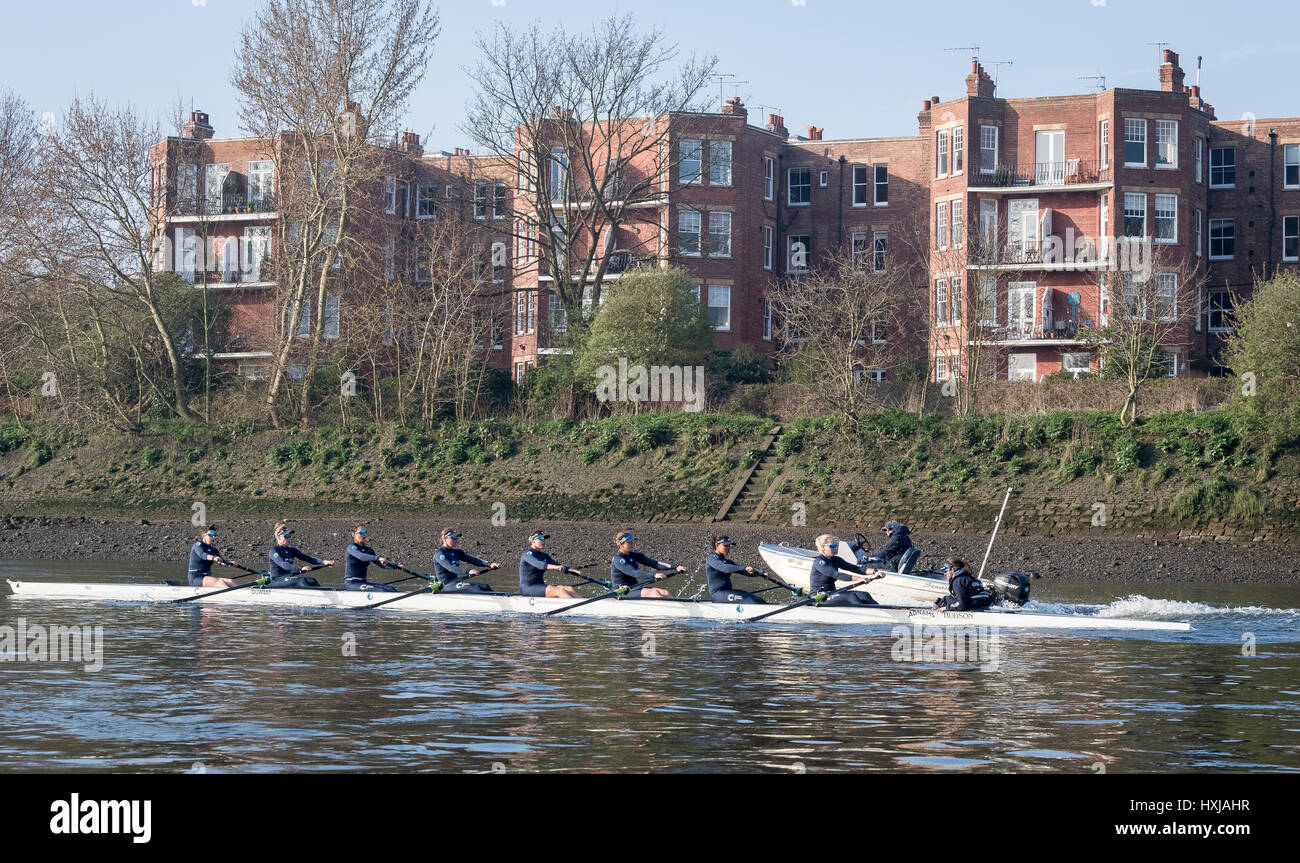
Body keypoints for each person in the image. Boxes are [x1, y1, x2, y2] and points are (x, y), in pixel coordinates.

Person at [810, 534, 881, 607]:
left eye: (836, 546)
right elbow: (836, 574)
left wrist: (875, 571)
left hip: (832, 593)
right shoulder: (819, 562)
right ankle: (866, 614)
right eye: (832, 546)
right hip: (819, 596)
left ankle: (882, 611)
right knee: (851, 597)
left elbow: (854, 568)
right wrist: (859, 578)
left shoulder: (836, 559)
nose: (835, 548)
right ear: (822, 547)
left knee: (864, 595)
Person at [610, 532, 686, 599]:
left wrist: (676, 566)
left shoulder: (636, 555)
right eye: (629, 542)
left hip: (634, 588)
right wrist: (654, 575)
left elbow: (655, 564)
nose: (632, 544)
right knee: (654, 593)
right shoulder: (618, 559)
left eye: (633, 542)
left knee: (665, 592)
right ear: (621, 544)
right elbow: (634, 572)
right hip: (621, 591)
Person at [267, 523, 333, 588]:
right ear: (279, 538)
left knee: (312, 580)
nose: (289, 538)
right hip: (277, 581)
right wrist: (301, 568)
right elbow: (284, 564)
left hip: (287, 579)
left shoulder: (292, 550)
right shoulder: (274, 551)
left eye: (289, 536)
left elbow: (308, 558)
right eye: (286, 536)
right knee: (303, 581)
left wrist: (324, 562)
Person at [433, 528, 499, 592]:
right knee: (476, 588)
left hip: (454, 584)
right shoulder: (440, 553)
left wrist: (489, 564)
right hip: (445, 585)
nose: (456, 540)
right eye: (453, 538)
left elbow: (473, 560)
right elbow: (451, 567)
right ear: (445, 539)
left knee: (485, 587)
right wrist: (468, 571)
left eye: (456, 538)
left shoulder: (457, 552)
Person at [518, 531, 581, 599]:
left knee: (569, 588)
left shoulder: (544, 556)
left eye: (544, 539)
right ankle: (577, 608)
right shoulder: (527, 554)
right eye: (541, 538)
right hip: (528, 588)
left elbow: (558, 564)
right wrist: (556, 567)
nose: (544, 541)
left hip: (541, 586)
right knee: (560, 591)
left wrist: (573, 571)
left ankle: (585, 606)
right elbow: (540, 565)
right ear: (533, 540)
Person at [704, 535, 766, 604]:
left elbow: (745, 572)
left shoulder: (728, 562)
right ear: (717, 545)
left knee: (758, 600)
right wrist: (745, 568)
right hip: (717, 594)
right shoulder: (712, 559)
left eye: (729, 546)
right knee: (750, 600)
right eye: (725, 545)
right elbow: (725, 568)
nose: (728, 548)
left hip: (728, 592)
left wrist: (762, 574)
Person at [344, 525, 398, 593]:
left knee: (391, 589)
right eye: (361, 532)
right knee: (382, 590)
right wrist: (377, 558)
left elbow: (382, 565)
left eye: (365, 532)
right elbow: (361, 557)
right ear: (353, 535)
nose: (364, 534)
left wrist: (396, 566)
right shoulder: (351, 548)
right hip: (352, 583)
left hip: (363, 582)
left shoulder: (368, 550)